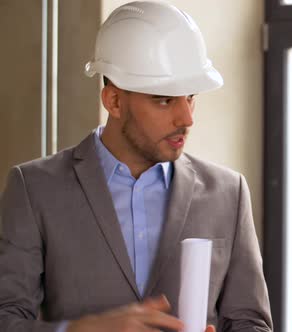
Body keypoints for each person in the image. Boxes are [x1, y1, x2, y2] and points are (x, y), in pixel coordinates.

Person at [0, 2, 272, 332]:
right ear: (114, 101)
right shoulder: (35, 188)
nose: (187, 118)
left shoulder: (228, 193)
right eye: (164, 100)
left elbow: (250, 323)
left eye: (190, 97)